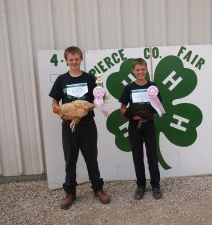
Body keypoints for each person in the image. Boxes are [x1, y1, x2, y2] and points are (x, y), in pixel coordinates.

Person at [49, 46, 110, 209]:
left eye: (77, 59)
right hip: (68, 126)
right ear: (66, 60)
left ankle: (98, 189)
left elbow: (98, 100)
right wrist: (59, 112)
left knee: (91, 158)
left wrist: (102, 98)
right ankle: (70, 193)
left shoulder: (90, 79)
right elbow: (55, 101)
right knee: (70, 159)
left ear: (81, 59)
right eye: (71, 59)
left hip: (88, 124)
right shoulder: (61, 80)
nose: (74, 62)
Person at [119, 58, 163, 200]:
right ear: (133, 71)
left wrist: (150, 114)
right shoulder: (129, 88)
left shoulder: (152, 86)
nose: (140, 72)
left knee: (152, 155)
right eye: (137, 70)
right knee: (137, 156)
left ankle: (156, 185)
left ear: (146, 70)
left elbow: (158, 105)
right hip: (134, 126)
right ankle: (141, 185)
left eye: (143, 69)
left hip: (149, 124)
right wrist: (128, 114)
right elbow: (123, 106)